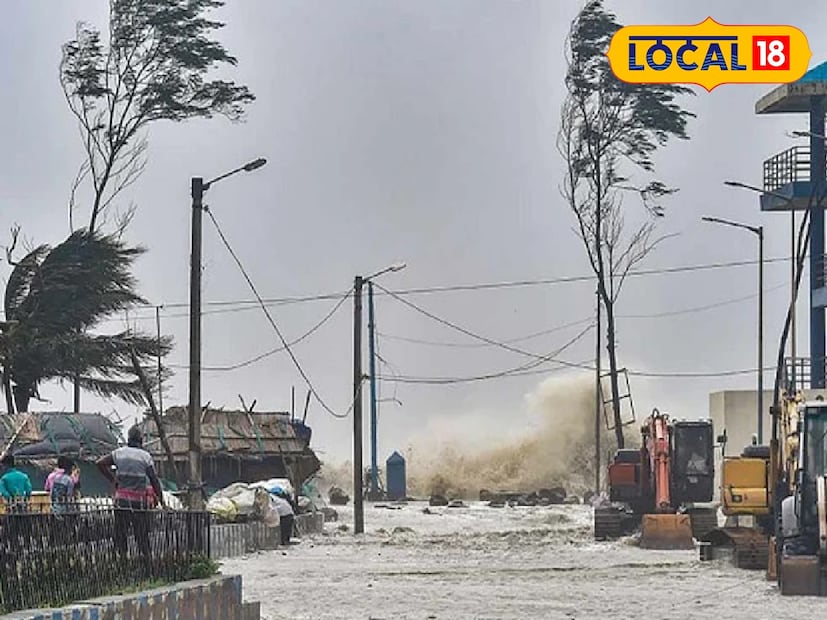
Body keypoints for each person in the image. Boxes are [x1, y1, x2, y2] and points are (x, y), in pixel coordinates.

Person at [96, 426, 164, 565]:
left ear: (128, 439)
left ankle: (122, 562)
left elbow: (100, 463)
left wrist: (113, 479)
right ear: (141, 440)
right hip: (138, 502)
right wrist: (161, 500)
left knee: (121, 533)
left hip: (121, 501)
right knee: (141, 534)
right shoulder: (145, 456)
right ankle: (146, 562)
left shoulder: (118, 453)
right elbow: (154, 480)